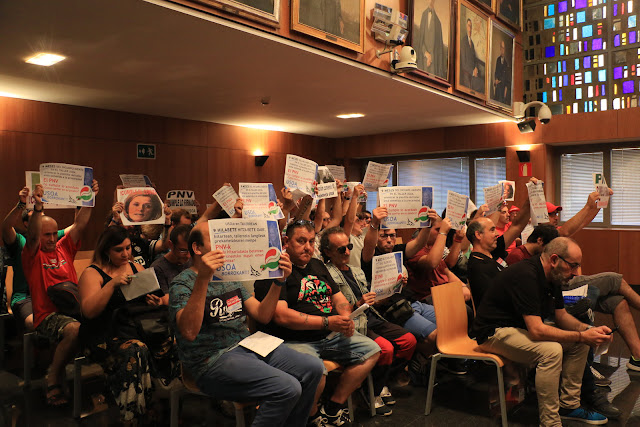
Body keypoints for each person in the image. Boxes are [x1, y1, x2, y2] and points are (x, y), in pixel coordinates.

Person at [169, 222, 324, 427]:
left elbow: (263, 314)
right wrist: (203, 279)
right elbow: (189, 332)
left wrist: (278, 281)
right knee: (287, 387)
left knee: (314, 367)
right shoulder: (182, 283)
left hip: (248, 346)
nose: (224, 245)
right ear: (197, 248)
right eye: (216, 239)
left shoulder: (230, 277)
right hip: (211, 360)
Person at [253, 220, 380, 427]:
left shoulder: (317, 264)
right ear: (286, 241)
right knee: (317, 371)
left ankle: (332, 407)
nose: (308, 247)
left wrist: (346, 316)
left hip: (329, 335)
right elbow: (282, 317)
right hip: (293, 341)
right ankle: (311, 416)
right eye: (301, 241)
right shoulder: (275, 269)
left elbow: (338, 299)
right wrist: (327, 322)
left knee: (373, 350)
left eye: (312, 241)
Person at [472, 237, 611, 426]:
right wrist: (581, 334)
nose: (577, 273)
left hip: (519, 328)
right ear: (554, 259)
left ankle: (568, 406)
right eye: (573, 266)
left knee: (581, 343)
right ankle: (550, 422)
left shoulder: (554, 275)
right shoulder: (526, 275)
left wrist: (589, 330)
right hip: (493, 332)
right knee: (551, 352)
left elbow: (561, 316)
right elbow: (537, 331)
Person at [78, 226, 178, 424]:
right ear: (106, 250)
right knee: (136, 350)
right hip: (103, 334)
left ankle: (165, 403)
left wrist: (152, 301)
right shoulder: (93, 273)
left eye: (128, 248)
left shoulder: (135, 268)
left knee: (171, 340)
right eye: (119, 250)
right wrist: (111, 284)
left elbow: (149, 302)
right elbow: (89, 312)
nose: (126, 254)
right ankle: (133, 414)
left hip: (135, 327)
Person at [320, 227, 417, 416]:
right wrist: (358, 303)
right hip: (354, 322)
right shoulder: (327, 274)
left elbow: (376, 302)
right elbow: (337, 310)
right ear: (327, 252)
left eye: (348, 247)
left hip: (371, 315)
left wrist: (394, 288)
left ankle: (379, 382)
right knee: (386, 349)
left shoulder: (356, 271)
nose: (347, 251)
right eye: (341, 249)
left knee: (409, 341)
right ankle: (371, 392)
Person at [22, 180, 98, 407]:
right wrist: (37, 208)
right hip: (47, 316)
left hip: (73, 309)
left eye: (55, 234)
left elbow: (80, 224)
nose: (52, 239)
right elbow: (34, 235)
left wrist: (90, 198)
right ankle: (53, 376)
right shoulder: (32, 254)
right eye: (47, 235)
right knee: (74, 330)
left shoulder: (63, 247)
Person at [150, 224, 191, 305]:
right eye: (183, 251)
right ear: (171, 245)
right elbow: (167, 300)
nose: (188, 256)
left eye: (191, 250)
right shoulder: (158, 268)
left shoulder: (196, 258)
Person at [415, 0, 446, 78]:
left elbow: (439, 48)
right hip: (423, 59)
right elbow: (420, 40)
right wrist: (425, 53)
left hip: (434, 64)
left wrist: (432, 57)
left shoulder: (438, 23)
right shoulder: (424, 15)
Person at [460, 18, 482, 92]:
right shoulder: (463, 42)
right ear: (466, 27)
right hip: (467, 75)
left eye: (471, 27)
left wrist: (476, 68)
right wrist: (472, 72)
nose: (470, 29)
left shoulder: (472, 43)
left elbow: (474, 59)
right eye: (469, 26)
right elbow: (463, 64)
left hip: (473, 75)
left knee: (482, 85)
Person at [493, 40, 511, 104]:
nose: (502, 50)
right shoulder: (498, 60)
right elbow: (496, 71)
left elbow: (507, 79)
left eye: (503, 48)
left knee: (501, 102)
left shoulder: (506, 63)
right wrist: (496, 79)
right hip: (498, 86)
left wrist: (505, 90)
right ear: (500, 48)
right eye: (501, 47)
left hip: (503, 87)